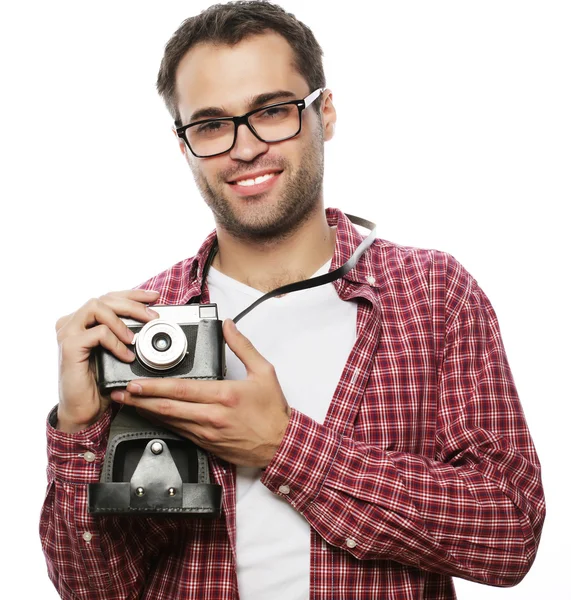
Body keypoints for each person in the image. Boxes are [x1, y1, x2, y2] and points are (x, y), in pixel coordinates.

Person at [40, 2, 545, 599]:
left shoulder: (433, 293)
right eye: (210, 125)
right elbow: (94, 589)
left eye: (272, 111)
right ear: (183, 146)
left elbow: (509, 533)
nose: (245, 148)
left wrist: (283, 447)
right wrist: (78, 429)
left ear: (324, 113)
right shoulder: (147, 326)